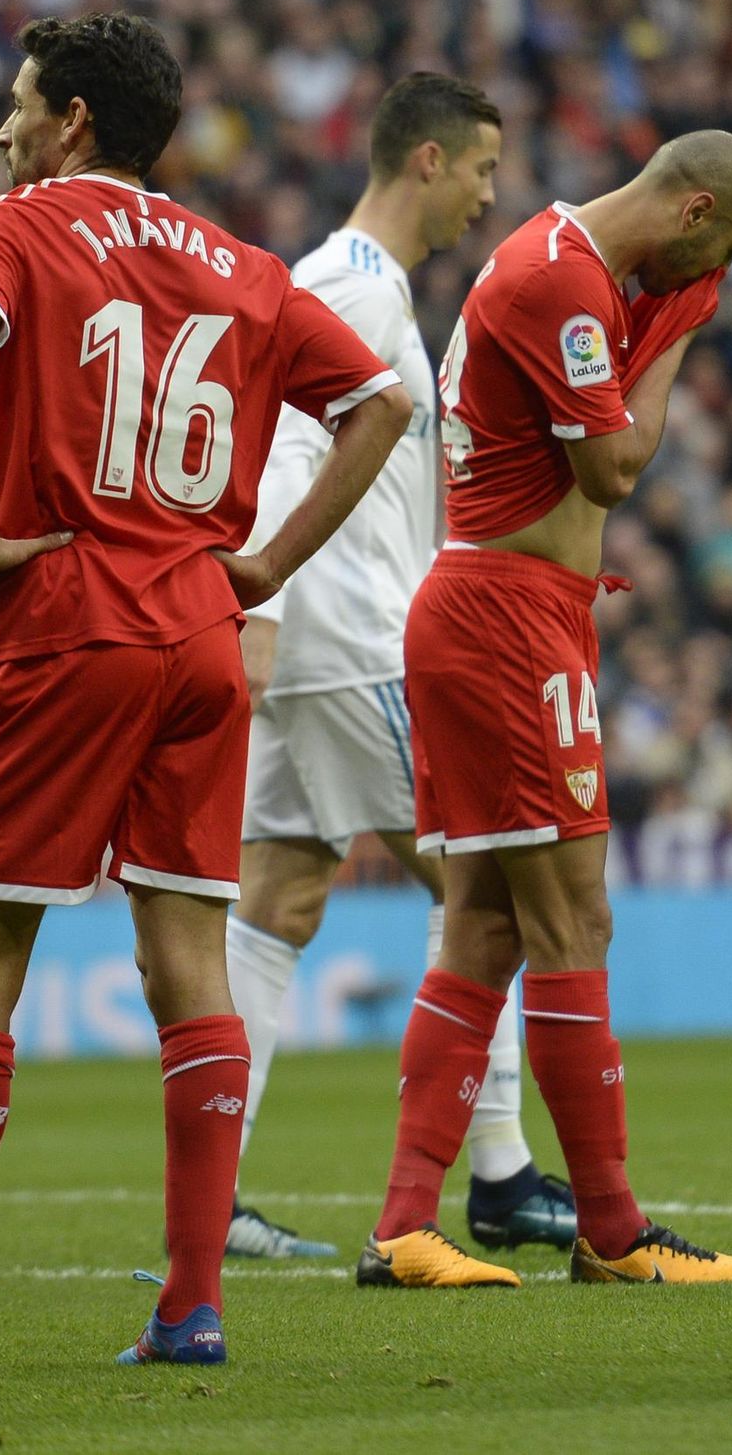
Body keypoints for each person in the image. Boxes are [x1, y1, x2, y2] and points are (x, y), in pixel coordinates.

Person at [0, 12, 412, 1372]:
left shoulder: (16, 224)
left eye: (21, 102)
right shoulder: (242, 263)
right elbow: (381, 401)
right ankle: (191, 1304)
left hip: (68, 621)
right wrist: (260, 560)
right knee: (186, 962)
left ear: (77, 122)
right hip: (202, 637)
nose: (4, 129)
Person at [358, 131, 732, 1289]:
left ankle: (403, 1227)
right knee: (573, 924)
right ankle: (611, 1228)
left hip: (504, 608)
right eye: (722, 250)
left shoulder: (555, 263)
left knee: (487, 929)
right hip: (505, 621)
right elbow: (614, 469)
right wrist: (680, 331)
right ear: (692, 212)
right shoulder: (562, 280)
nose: (710, 276)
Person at [227, 73, 583, 1261]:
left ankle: (211, 1193)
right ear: (426, 160)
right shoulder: (356, 287)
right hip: (349, 639)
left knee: (277, 895)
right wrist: (263, 601)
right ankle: (498, 1173)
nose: (491, 194)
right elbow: (277, 426)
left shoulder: (362, 288)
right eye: (481, 169)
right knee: (484, 887)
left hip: (319, 642)